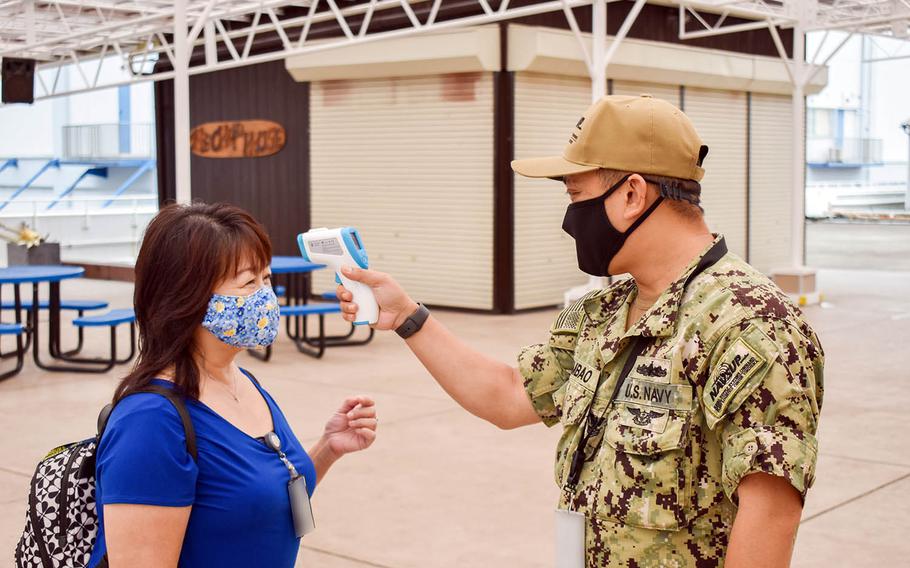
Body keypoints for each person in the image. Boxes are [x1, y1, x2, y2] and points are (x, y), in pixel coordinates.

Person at [336, 95, 823, 566]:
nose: (571, 221)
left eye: (577, 197)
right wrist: (406, 317)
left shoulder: (750, 322)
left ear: (632, 194)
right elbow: (508, 396)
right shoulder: (605, 310)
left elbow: (771, 514)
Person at [88, 203, 378, 568]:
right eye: (248, 283)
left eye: (267, 279)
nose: (266, 297)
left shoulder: (243, 381)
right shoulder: (150, 422)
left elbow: (261, 501)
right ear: (188, 296)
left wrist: (327, 449)